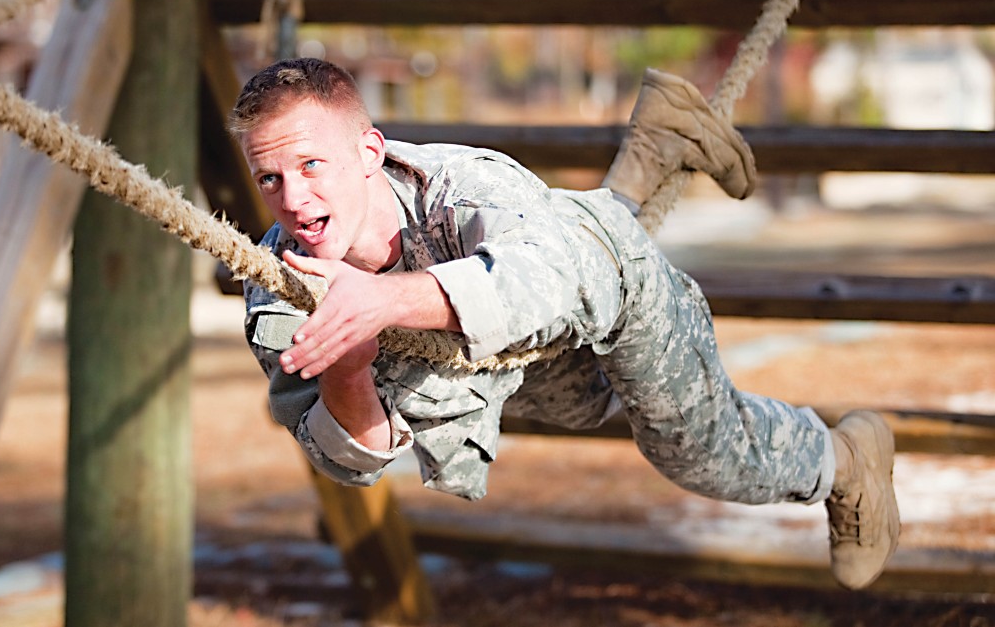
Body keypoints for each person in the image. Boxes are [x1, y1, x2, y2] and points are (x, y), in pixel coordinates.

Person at [228, 57, 899, 591]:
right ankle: (659, 140)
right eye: (270, 178)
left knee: (694, 451)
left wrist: (384, 301)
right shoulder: (282, 291)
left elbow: (546, 284)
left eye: (312, 164)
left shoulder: (464, 186)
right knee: (582, 405)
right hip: (532, 367)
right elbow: (346, 459)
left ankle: (846, 461)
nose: (295, 199)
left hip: (608, 277)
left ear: (370, 150)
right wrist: (348, 370)